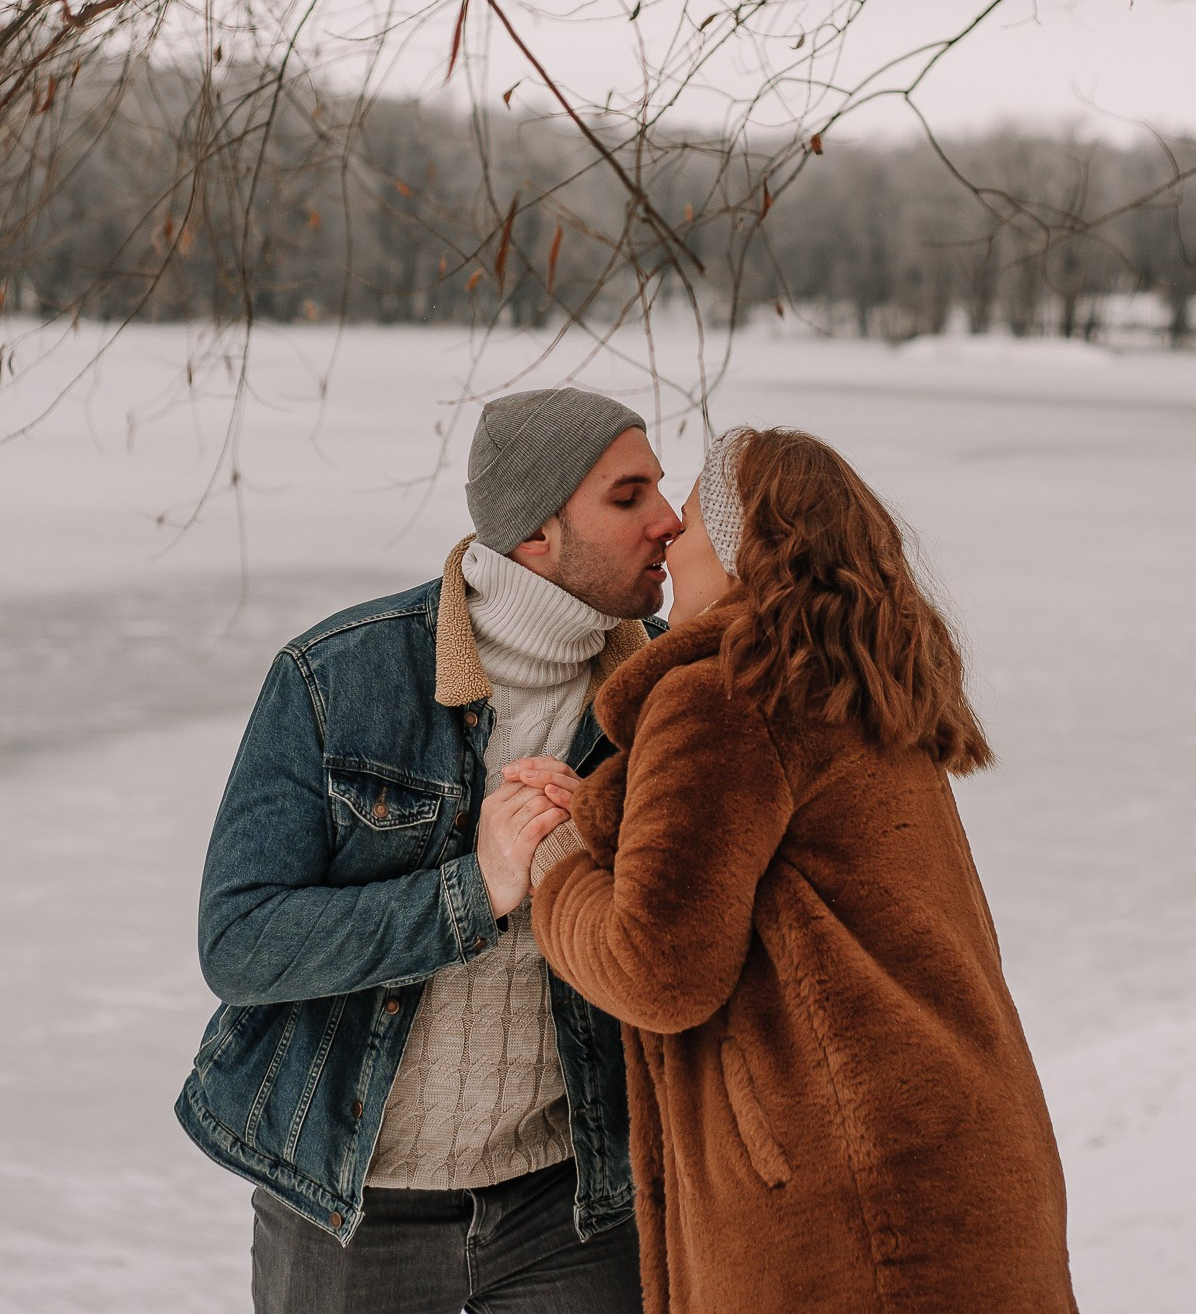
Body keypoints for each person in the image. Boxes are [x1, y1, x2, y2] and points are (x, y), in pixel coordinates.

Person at [521, 427, 1079, 1314]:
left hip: (846, 1206)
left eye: (695, 515)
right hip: (969, 1170)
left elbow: (657, 969)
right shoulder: (865, 687)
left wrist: (554, 864)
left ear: (748, 549)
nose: (670, 531)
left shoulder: (728, 692)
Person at [175, 387, 681, 1314]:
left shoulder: (664, 693)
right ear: (535, 531)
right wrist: (471, 889)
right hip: (350, 1210)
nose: (670, 519)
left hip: (571, 1206)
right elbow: (239, 942)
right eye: (628, 496)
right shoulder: (337, 676)